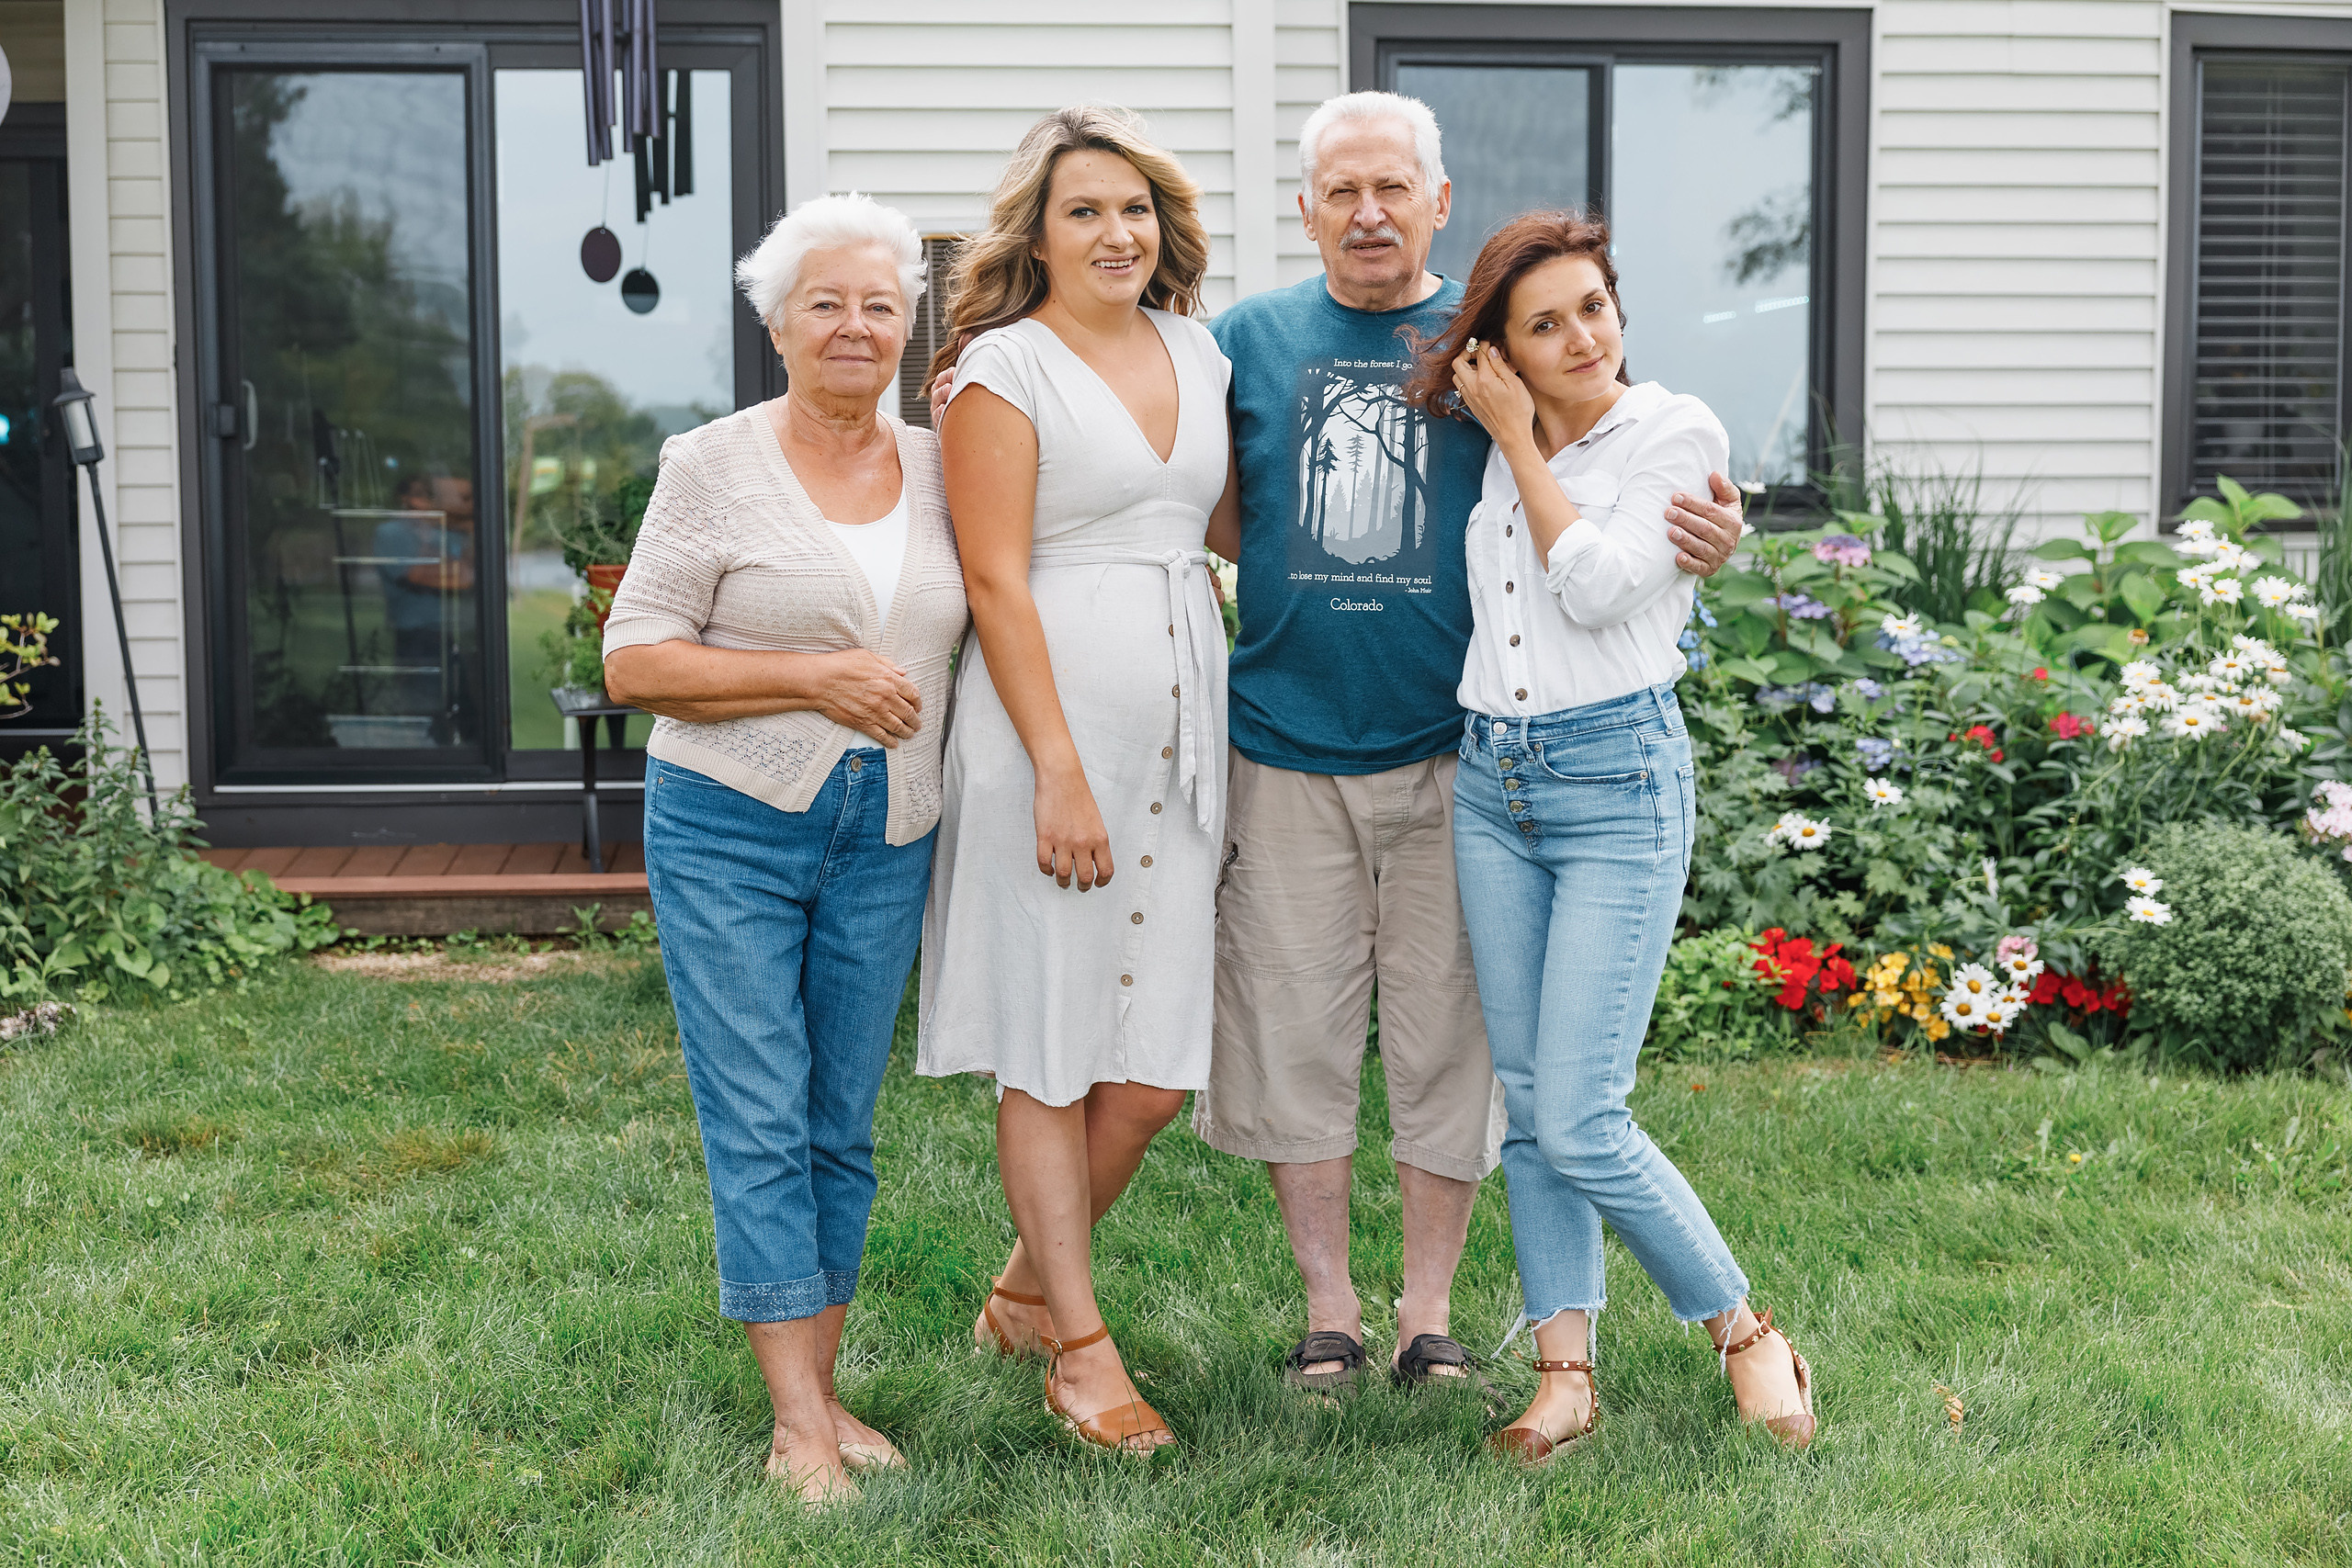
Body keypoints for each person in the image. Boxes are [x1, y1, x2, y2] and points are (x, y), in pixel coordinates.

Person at [1193, 91, 1748, 1392]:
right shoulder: (1248, 338)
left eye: (1395, 187)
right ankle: (1329, 1305)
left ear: (1441, 202)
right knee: (1294, 1029)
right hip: (1282, 740)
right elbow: (1206, 500)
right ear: (1308, 208)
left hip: (1465, 753)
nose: (1370, 212)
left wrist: (1718, 531)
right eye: (1342, 190)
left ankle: (1427, 1314)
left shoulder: (1492, 339)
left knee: (1452, 1042)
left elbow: (1611, 469)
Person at [1408, 209, 1817, 1462]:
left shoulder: (1672, 433)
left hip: (1615, 782)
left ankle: (1747, 1331)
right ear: (1503, 350)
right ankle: (1565, 1373)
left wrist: (1524, 444)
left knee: (1584, 1112)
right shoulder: (1491, 445)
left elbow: (1594, 583)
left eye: (1594, 305)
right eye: (1544, 322)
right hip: (1494, 783)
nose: (1581, 335)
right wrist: (1511, 439)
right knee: (1530, 1108)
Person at [599, 193, 969, 1505]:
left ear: (910, 324)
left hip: (890, 823)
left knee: (838, 1121)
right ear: (776, 325)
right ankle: (799, 1422)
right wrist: (814, 677)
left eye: (880, 303)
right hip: (730, 820)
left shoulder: (942, 462)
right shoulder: (712, 463)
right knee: (757, 1110)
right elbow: (634, 656)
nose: (857, 325)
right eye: (827, 302)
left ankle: (821, 1384)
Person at [917, 105, 1231, 1456]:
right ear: (1036, 236)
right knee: (1050, 1045)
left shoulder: (1198, 349)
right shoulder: (1003, 369)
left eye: (1136, 209)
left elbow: (1221, 519)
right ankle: (1081, 1352)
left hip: (1181, 729)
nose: (1117, 233)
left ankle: (1020, 1289)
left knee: (1153, 1071)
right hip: (1048, 735)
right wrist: (1055, 766)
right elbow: (994, 575)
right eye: (1085, 211)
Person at [372, 473, 476, 737]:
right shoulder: (390, 533)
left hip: (455, 632)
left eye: (428, 496)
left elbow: (465, 576)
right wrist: (427, 535)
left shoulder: (446, 531)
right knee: (424, 709)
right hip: (416, 635)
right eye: (418, 495)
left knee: (468, 711)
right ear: (404, 499)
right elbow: (418, 575)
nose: (424, 503)